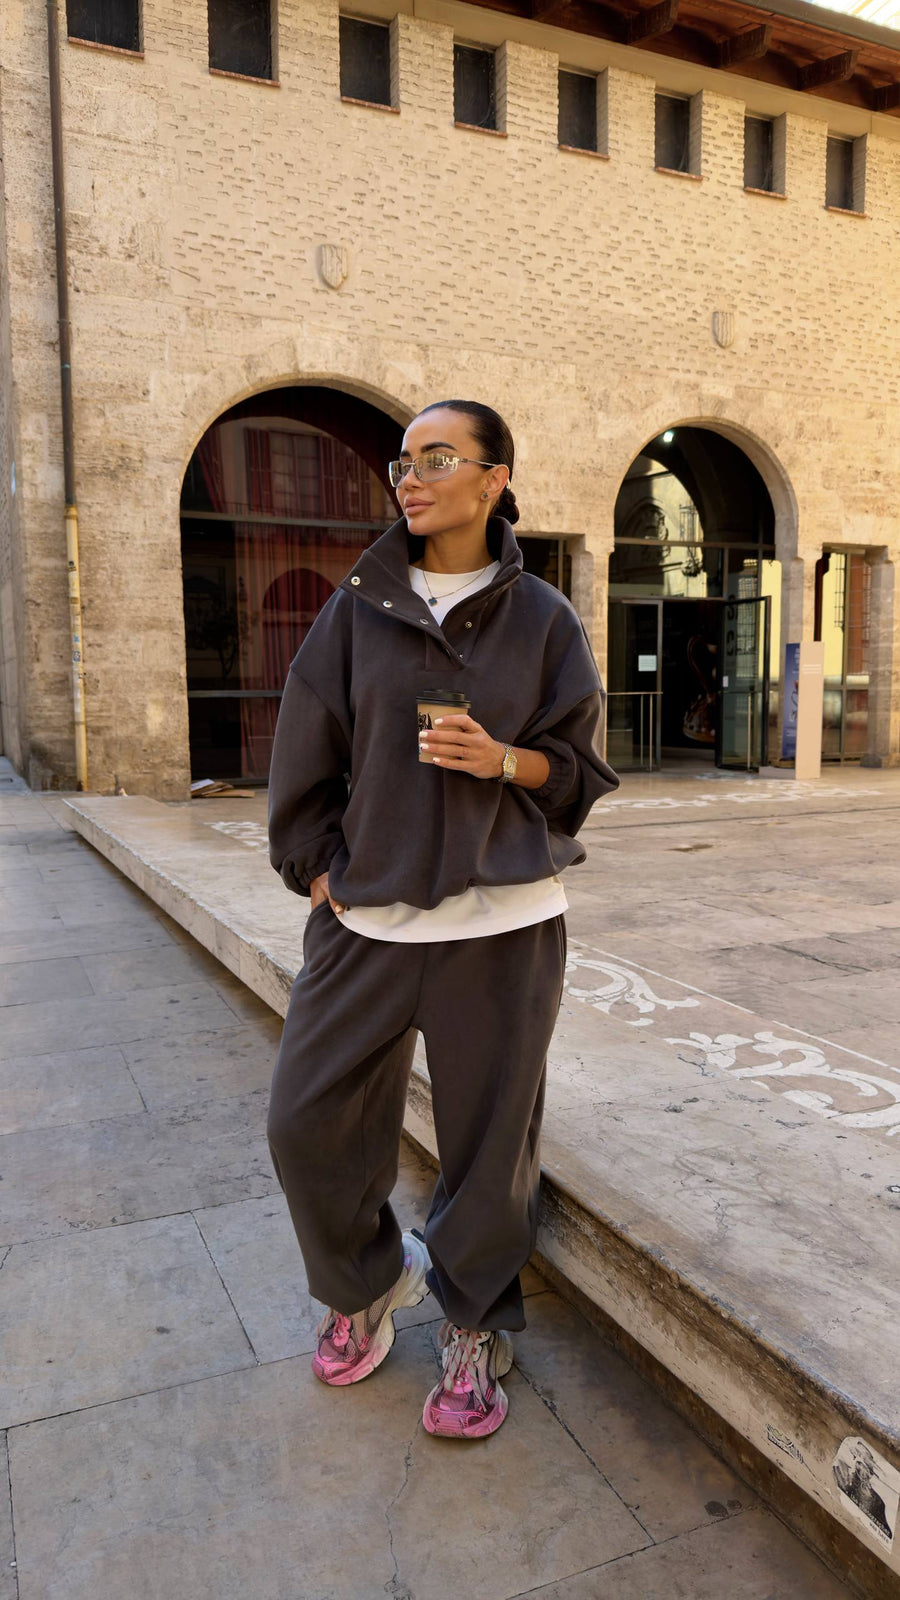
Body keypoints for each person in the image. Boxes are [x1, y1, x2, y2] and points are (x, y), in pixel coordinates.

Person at [266, 399, 618, 1439]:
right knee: (306, 1123)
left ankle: (474, 1328)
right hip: (366, 925)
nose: (409, 478)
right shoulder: (357, 608)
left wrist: (502, 759)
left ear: (494, 477)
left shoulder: (545, 619)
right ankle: (369, 1282)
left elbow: (582, 771)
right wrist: (315, 870)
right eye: (402, 460)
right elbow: (305, 744)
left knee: (488, 1142)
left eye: (436, 458)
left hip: (505, 929)